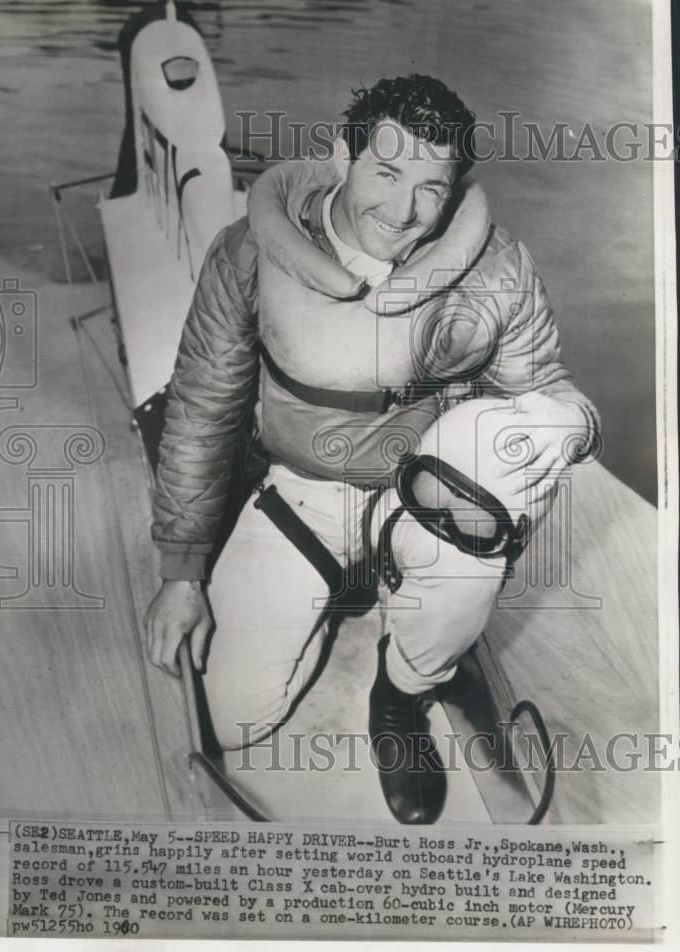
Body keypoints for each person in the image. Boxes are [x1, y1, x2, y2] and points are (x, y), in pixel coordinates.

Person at [144, 74, 600, 825]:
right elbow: (201, 409)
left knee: (492, 446)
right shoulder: (248, 256)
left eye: (431, 186)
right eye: (385, 173)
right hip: (301, 489)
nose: (402, 211)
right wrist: (182, 570)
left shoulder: (496, 268)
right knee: (234, 716)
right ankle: (343, 586)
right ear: (340, 155)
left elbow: (546, 385)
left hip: (422, 496)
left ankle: (403, 691)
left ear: (455, 189)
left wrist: (567, 429)